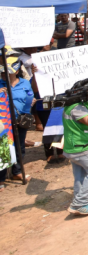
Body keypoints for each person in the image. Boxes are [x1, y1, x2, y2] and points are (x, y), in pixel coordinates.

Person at [60, 90, 88, 215]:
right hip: (81, 148)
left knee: (80, 175)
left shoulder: (74, 106)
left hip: (75, 147)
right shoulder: (76, 108)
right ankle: (79, 203)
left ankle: (79, 201)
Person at [0, 55, 32, 187]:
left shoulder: (25, 83)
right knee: (3, 147)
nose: (4, 73)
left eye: (7, 71)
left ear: (17, 71)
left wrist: (31, 103)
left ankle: (17, 171)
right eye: (2, 71)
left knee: (20, 147)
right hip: (3, 122)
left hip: (20, 119)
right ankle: (1, 178)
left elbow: (30, 96)